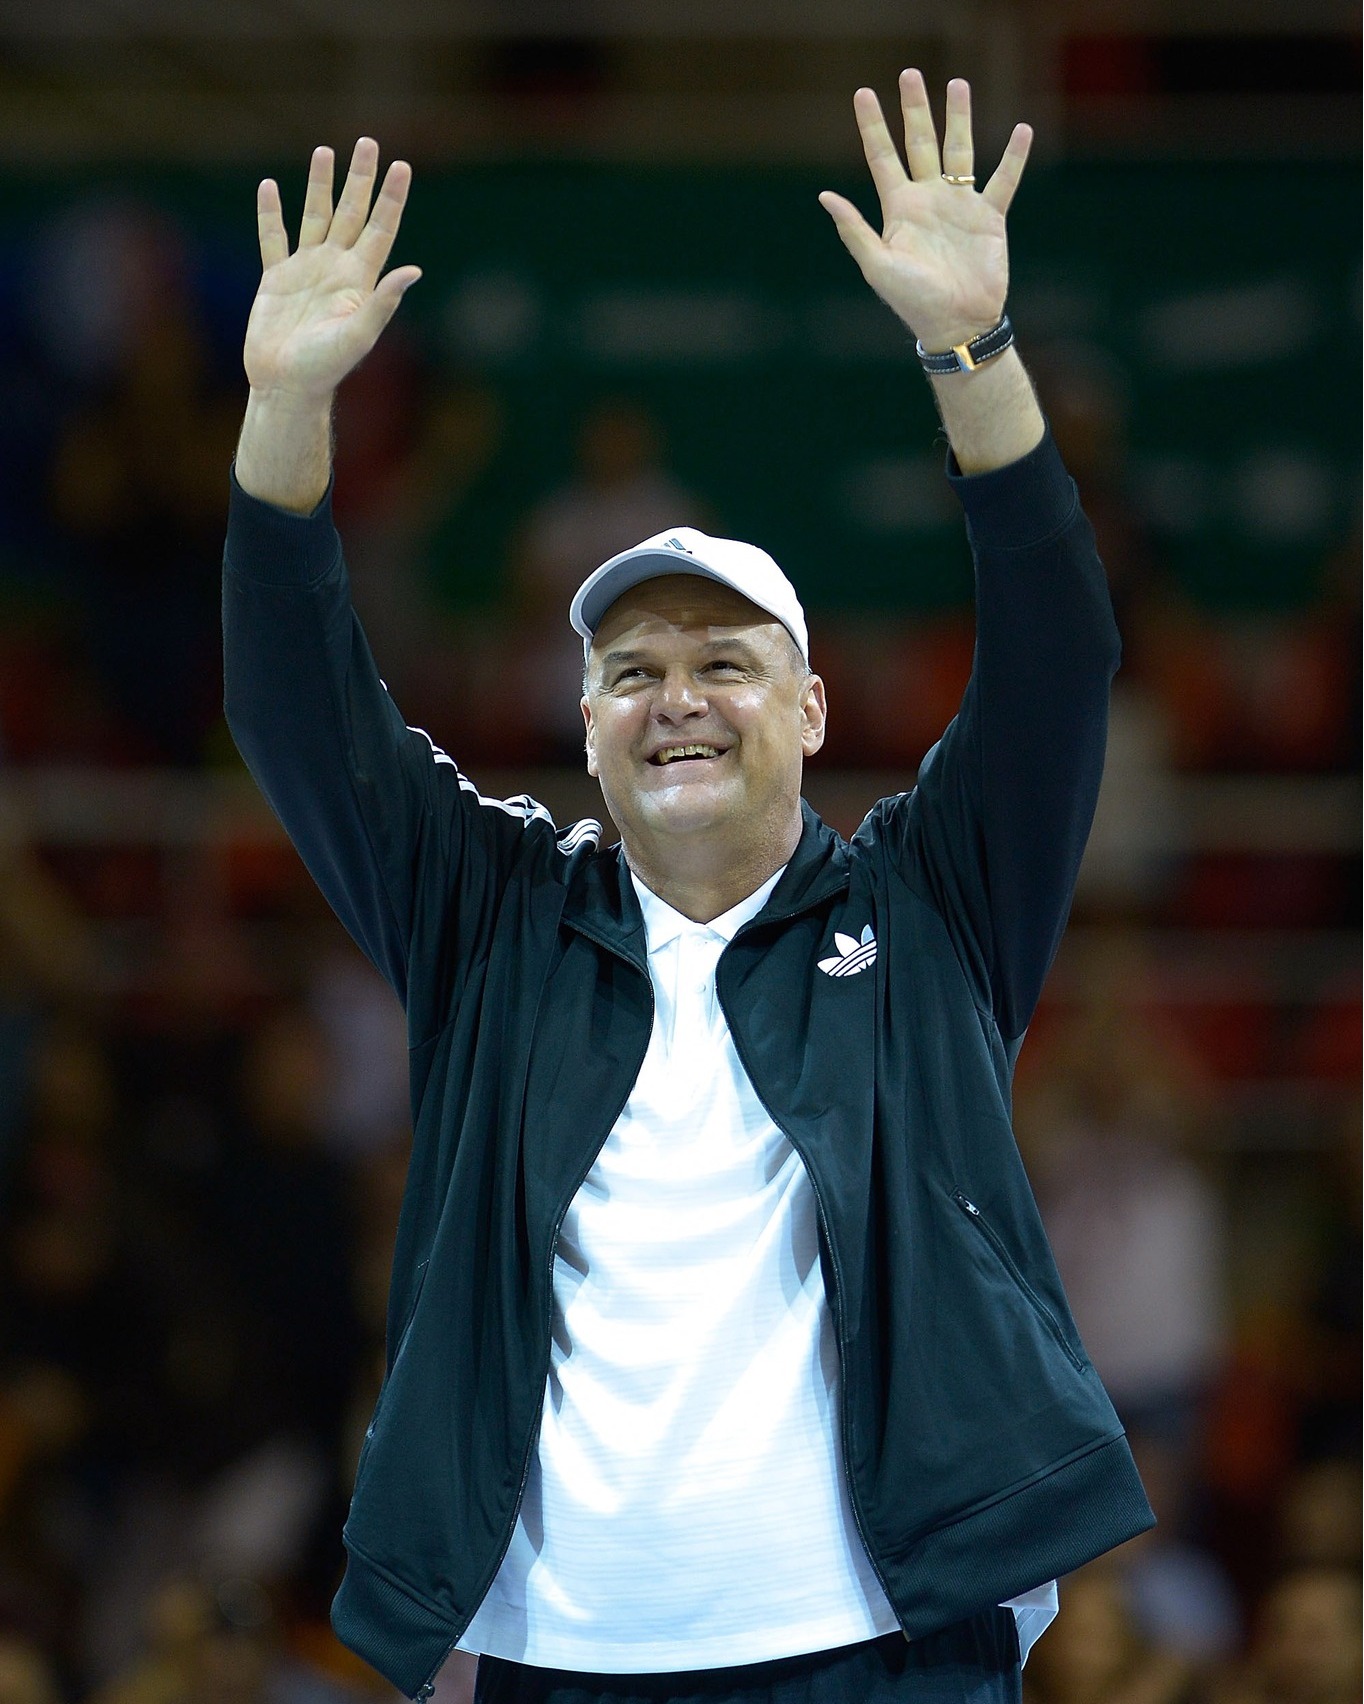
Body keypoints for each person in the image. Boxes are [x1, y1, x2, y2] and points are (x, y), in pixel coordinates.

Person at [222, 70, 1153, 1704]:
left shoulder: (930, 906)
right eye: (632, 671)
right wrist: (286, 414)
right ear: (584, 723)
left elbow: (1057, 658)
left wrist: (973, 354)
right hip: (562, 1661)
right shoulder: (493, 916)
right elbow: (297, 707)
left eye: (727, 662)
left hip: (887, 1649)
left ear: (812, 711)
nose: (677, 699)